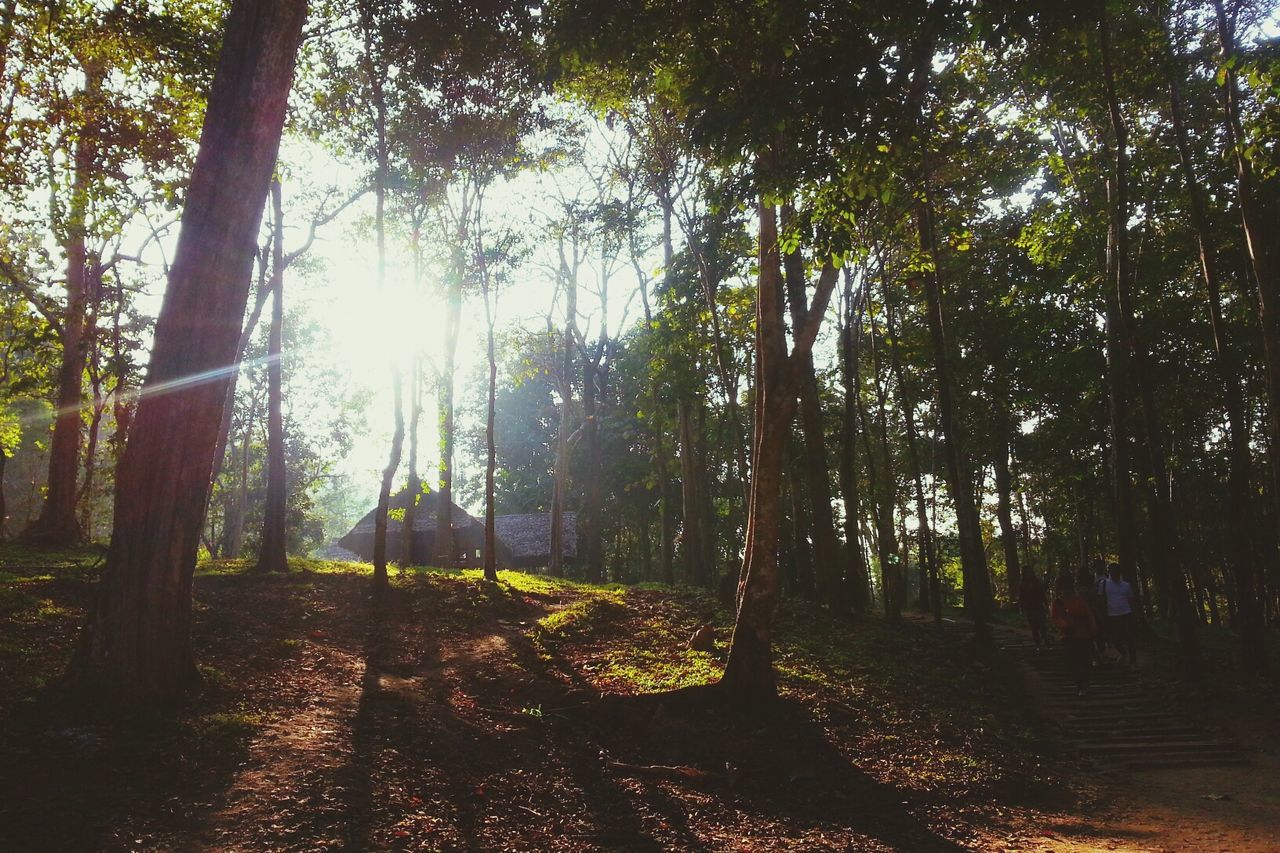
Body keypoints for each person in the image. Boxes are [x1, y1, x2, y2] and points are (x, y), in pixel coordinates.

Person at [1051, 575, 1098, 696]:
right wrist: (1065, 625)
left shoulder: (1079, 600)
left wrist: (1093, 628)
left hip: (1084, 636)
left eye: (1067, 587)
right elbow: (1056, 618)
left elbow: (1089, 615)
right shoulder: (1057, 603)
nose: (1065, 590)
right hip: (1069, 637)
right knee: (1073, 663)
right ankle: (1080, 685)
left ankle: (1085, 684)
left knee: (1085, 661)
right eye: (1063, 588)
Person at [1101, 562, 1138, 666]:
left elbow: (1131, 600)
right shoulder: (1104, 584)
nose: (1114, 574)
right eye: (1112, 572)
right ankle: (1123, 654)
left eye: (1116, 572)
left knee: (1130, 637)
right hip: (1113, 615)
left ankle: (1133, 659)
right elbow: (1100, 599)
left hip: (1126, 613)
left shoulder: (1126, 585)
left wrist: (1134, 614)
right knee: (1116, 639)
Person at [1019, 569, 1048, 652]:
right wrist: (1021, 608)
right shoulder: (1023, 585)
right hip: (1029, 608)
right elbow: (1021, 597)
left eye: (1030, 572)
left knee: (1042, 626)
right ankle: (1038, 644)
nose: (1029, 574)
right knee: (1034, 627)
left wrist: (1045, 605)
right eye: (1027, 573)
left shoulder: (1037, 583)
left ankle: (1046, 641)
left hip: (1038, 607)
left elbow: (1042, 595)